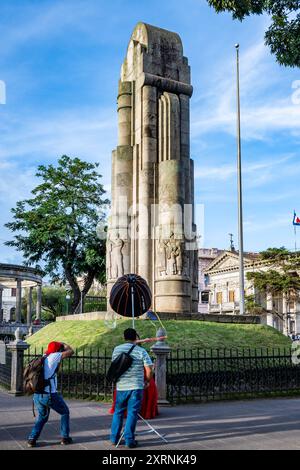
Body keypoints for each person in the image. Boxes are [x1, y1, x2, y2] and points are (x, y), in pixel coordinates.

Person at [110, 328, 153, 448]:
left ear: (124, 337)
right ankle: (129, 440)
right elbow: (149, 369)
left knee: (118, 412)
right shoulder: (141, 351)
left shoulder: (117, 349)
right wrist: (147, 381)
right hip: (136, 386)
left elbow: (114, 365)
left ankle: (114, 438)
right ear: (136, 337)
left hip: (121, 386)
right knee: (132, 413)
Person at [27, 341, 74, 448]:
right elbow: (71, 352)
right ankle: (65, 438)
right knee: (65, 412)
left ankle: (31, 439)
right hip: (49, 395)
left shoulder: (44, 357)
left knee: (42, 418)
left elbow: (47, 351)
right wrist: (64, 344)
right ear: (58, 350)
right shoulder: (54, 356)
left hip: (38, 395)